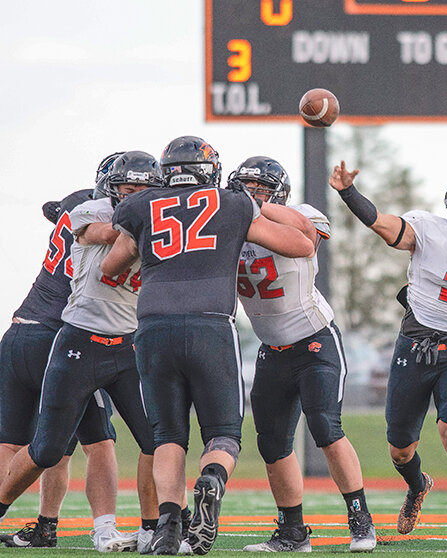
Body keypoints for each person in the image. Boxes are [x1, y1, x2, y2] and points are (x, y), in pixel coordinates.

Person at [101, 136, 315, 555]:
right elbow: (302, 245)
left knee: (167, 435)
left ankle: (166, 525)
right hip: (210, 325)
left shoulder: (140, 206)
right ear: (211, 171)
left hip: (153, 325)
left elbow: (110, 267)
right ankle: (212, 480)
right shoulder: (233, 204)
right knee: (222, 434)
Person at [329, 162, 447, 550]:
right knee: (399, 447)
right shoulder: (429, 229)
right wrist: (348, 193)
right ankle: (419, 484)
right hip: (413, 345)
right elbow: (384, 226)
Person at [0, 151, 164, 552]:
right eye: (129, 189)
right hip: (71, 337)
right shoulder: (92, 212)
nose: (136, 197)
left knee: (155, 438)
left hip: (39, 334)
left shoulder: (99, 208)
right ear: (110, 190)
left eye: (144, 191)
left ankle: (142, 527)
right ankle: (97, 529)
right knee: (73, 445)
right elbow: (102, 233)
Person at [228, 157, 376, 553]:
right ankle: (293, 533)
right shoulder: (229, 225)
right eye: (244, 187)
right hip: (270, 350)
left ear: (277, 193)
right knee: (272, 442)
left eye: (259, 188)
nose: (250, 194)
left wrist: (255, 208)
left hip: (314, 342)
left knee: (326, 428)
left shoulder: (300, 215)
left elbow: (309, 232)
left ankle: (361, 520)